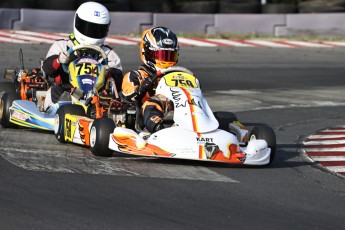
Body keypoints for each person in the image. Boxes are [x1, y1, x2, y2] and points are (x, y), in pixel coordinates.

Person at [42, 1, 123, 110]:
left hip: (97, 97)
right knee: (55, 90)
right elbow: (48, 69)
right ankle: (56, 111)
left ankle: (104, 112)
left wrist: (108, 73)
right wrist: (59, 60)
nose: (92, 33)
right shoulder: (63, 46)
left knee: (116, 99)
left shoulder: (107, 54)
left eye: (98, 30)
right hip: (68, 91)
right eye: (89, 28)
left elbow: (118, 84)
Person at [121, 26, 179, 133]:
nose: (166, 60)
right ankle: (160, 128)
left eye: (170, 55)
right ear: (147, 52)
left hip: (178, 108)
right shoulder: (135, 75)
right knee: (151, 104)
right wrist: (142, 87)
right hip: (146, 116)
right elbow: (128, 94)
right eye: (162, 55)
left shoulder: (177, 77)